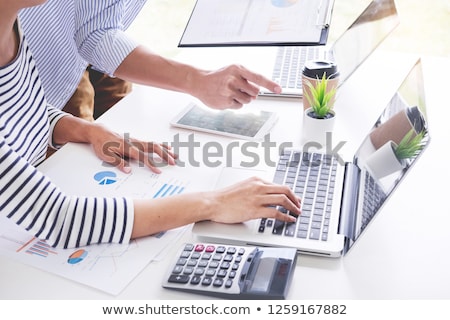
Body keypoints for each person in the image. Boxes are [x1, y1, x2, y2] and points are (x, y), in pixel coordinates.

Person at [0, 1, 299, 249]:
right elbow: (61, 220)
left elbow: (24, 111)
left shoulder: (14, 31)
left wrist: (87, 130)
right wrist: (214, 202)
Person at [19, 1, 282, 123]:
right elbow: (95, 36)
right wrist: (197, 80)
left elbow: (97, 23)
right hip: (29, 79)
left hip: (74, 53)